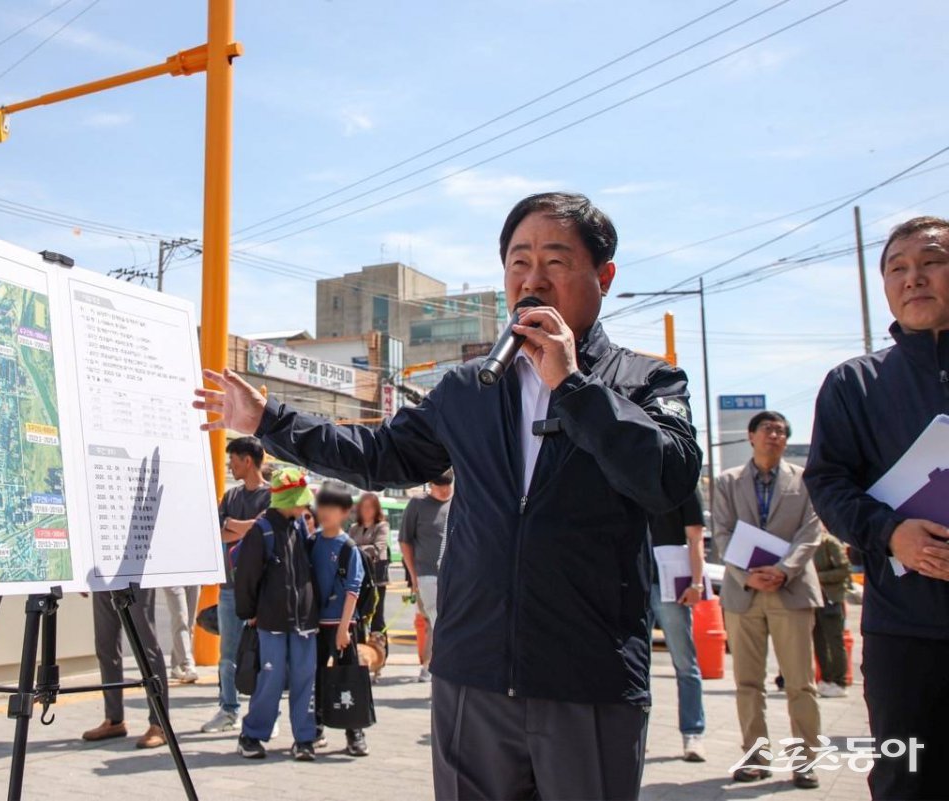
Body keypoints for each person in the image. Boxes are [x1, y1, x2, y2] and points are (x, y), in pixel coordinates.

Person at [195, 191, 701, 799]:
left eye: (555, 262)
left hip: (587, 679)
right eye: (518, 263)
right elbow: (378, 456)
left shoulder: (645, 381)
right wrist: (273, 420)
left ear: (604, 276)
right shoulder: (469, 387)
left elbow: (667, 478)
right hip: (473, 676)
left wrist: (574, 386)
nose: (532, 279)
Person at [804, 216, 949, 799]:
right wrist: (892, 535)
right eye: (897, 268)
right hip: (903, 631)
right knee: (906, 779)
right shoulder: (854, 384)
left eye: (931, 262)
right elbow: (829, 483)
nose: (913, 278)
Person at [713, 410, 822, 790]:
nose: (774, 436)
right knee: (747, 681)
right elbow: (722, 534)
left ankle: (805, 761)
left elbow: (811, 532)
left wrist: (784, 570)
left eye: (780, 431)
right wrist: (749, 575)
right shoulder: (728, 482)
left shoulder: (804, 480)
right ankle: (754, 758)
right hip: (743, 593)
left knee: (800, 683)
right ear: (751, 436)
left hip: (790, 591)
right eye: (767, 429)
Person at [234, 467, 320, 761]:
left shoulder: (298, 526)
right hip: (271, 621)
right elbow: (246, 577)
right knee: (270, 680)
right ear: (288, 501)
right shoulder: (262, 530)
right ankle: (252, 735)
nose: (305, 505)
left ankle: (305, 738)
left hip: (304, 621)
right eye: (301, 500)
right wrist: (248, 613)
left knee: (304, 678)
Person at [201, 436, 271, 734]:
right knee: (227, 655)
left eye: (234, 459)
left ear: (248, 460)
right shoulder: (230, 497)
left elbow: (268, 532)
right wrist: (251, 527)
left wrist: (238, 527)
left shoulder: (272, 496)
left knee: (264, 654)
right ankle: (228, 710)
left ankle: (265, 713)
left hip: (264, 589)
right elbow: (217, 532)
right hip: (230, 587)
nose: (230, 465)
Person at [646, 487, 707, 763]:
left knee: (685, 662)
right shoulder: (623, 471)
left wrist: (696, 583)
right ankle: (636, 732)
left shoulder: (683, 479)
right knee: (634, 665)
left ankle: (693, 733)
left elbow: (695, 536)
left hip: (671, 584)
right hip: (634, 582)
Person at [311, 482, 370, 757]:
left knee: (349, 677)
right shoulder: (311, 542)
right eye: (322, 506)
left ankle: (354, 733)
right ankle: (317, 727)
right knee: (317, 676)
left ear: (345, 512)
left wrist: (344, 629)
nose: (325, 512)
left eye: (332, 507)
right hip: (316, 625)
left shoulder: (348, 547)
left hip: (342, 625)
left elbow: (352, 590)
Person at [81, 587, 171, 749]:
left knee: (145, 647)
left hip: (134, 574)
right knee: (106, 647)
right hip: (103, 577)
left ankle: (160, 724)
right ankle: (114, 720)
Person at [398, 471, 453, 683]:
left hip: (454, 575)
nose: (445, 490)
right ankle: (432, 666)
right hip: (427, 574)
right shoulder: (417, 504)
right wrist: (413, 576)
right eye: (440, 486)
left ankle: (434, 665)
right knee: (436, 620)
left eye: (448, 485)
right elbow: (405, 541)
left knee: (443, 621)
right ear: (431, 484)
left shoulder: (458, 501)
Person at [811, 530, 850, 699]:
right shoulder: (808, 543)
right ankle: (826, 679)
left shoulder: (830, 543)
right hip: (813, 599)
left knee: (835, 640)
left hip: (831, 598)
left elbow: (844, 570)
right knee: (818, 640)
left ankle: (839, 681)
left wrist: (816, 577)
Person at [348, 493, 390, 641]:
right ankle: (361, 652)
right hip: (358, 577)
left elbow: (378, 549)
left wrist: (356, 549)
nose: (366, 510)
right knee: (359, 614)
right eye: (363, 507)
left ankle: (381, 654)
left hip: (377, 577)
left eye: (370, 507)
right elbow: (347, 548)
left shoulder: (382, 526)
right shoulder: (354, 528)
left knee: (377, 615)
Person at [164, 585, 200, 683]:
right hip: (172, 577)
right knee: (181, 618)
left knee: (190, 622)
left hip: (194, 575)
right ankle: (187, 665)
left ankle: (176, 664)